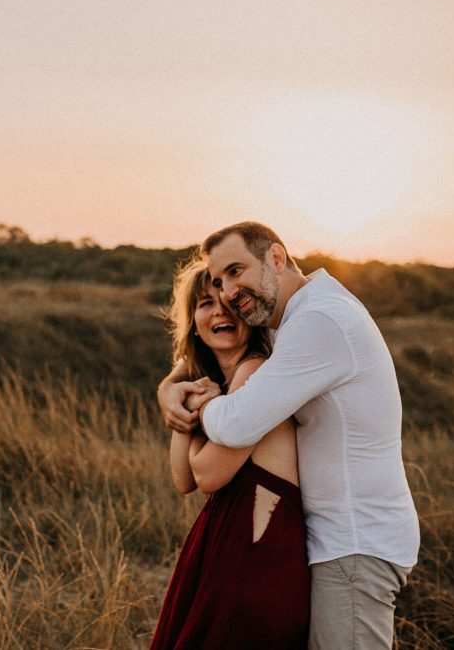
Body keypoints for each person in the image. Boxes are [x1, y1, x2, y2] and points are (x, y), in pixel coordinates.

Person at [158, 222, 420, 649]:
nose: (228, 292)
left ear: (276, 258)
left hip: (354, 541)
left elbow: (239, 422)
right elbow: (219, 353)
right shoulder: (296, 320)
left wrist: (199, 403)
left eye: (236, 270)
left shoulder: (320, 320)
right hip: (331, 541)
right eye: (220, 281)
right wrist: (170, 387)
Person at [151, 260, 309, 650]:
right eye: (205, 303)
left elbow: (207, 475)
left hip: (257, 558)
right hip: (223, 547)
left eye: (229, 302)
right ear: (193, 321)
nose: (220, 311)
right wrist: (181, 400)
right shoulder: (216, 381)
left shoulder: (255, 372)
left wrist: (203, 404)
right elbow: (182, 480)